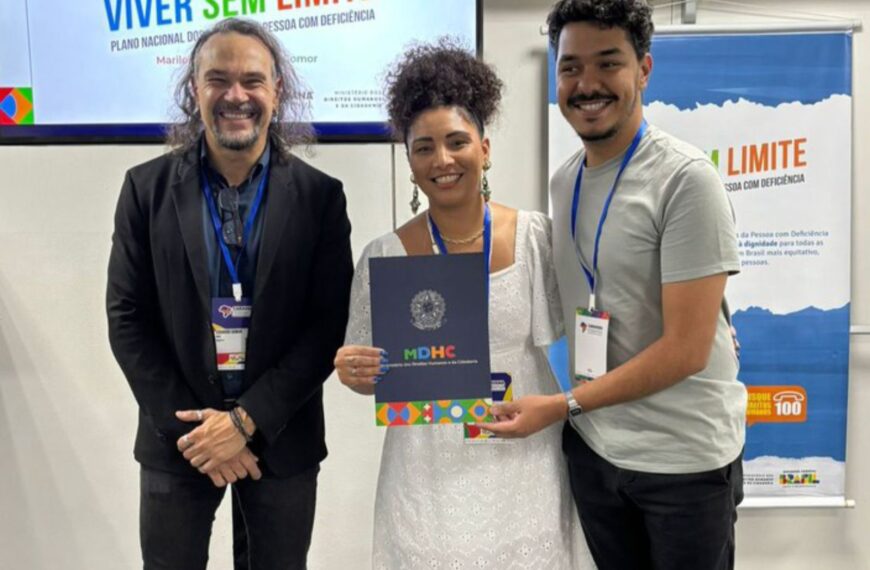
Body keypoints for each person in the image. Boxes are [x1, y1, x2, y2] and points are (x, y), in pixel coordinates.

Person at [481, 1, 747, 569]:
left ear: (644, 69)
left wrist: (562, 405)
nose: (588, 84)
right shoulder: (564, 182)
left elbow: (686, 349)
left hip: (683, 465)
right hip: (597, 452)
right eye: (571, 67)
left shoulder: (685, 178)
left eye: (608, 63)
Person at [333, 41, 594, 569]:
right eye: (423, 147)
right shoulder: (383, 257)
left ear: (485, 148)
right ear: (409, 163)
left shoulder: (536, 239)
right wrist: (354, 371)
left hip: (526, 457)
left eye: (457, 141)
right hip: (427, 476)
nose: (442, 160)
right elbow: (368, 370)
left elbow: (590, 322)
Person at [106, 18, 352, 570]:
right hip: (179, 442)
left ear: (277, 90)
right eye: (218, 79)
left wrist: (245, 422)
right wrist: (199, 433)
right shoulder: (144, 191)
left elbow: (326, 324)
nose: (235, 95)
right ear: (194, 90)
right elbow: (127, 318)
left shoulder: (320, 199)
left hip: (282, 438)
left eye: (252, 80)